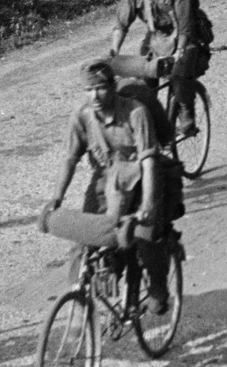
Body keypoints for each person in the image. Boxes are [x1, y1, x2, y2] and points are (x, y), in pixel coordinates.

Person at [45, 60, 172, 314]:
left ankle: (158, 288)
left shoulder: (136, 113)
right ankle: (80, 308)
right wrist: (56, 198)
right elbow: (70, 158)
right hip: (106, 181)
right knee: (86, 240)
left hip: (141, 180)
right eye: (89, 90)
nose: (95, 96)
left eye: (101, 88)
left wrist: (147, 204)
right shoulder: (82, 116)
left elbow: (148, 163)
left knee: (146, 237)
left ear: (113, 86)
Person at [111, 0, 210, 141]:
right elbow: (122, 24)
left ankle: (185, 112)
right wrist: (113, 52)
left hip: (183, 37)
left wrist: (179, 52)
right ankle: (152, 122)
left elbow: (185, 24)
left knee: (179, 73)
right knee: (142, 82)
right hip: (155, 39)